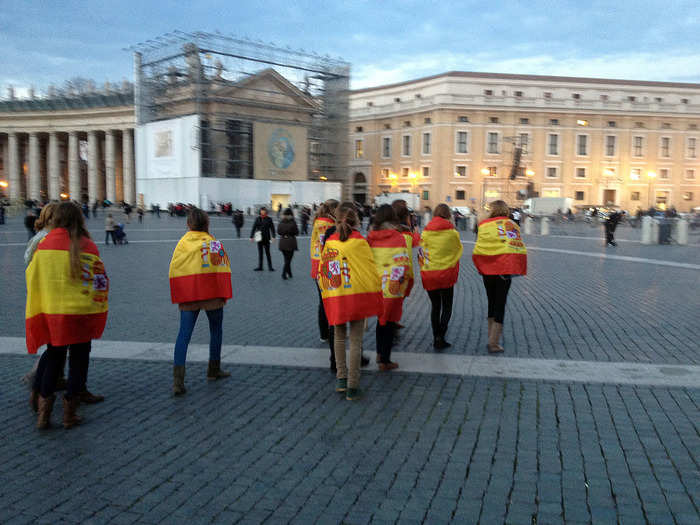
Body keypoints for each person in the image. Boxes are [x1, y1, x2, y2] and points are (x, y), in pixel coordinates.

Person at [26, 202, 109, 429]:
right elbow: (100, 280)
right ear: (78, 220)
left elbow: (33, 278)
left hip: (55, 314)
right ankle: (69, 413)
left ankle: (44, 414)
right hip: (81, 314)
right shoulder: (88, 246)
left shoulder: (45, 246)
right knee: (79, 361)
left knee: (54, 358)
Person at [319, 204, 382, 400]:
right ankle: (353, 386)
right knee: (356, 342)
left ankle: (341, 379)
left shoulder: (330, 243)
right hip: (358, 296)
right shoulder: (360, 242)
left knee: (338, 337)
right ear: (357, 222)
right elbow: (371, 269)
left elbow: (324, 272)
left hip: (337, 295)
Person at [169, 208, 233, 395]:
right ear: (207, 224)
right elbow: (223, 268)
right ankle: (213, 369)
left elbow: (175, 269)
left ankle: (178, 382)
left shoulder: (182, 244)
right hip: (212, 294)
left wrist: (181, 292)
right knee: (216, 331)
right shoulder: (213, 243)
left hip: (189, 294)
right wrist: (223, 293)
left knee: (184, 335)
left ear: (188, 224)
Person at [472, 200, 527, 353]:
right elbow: (516, 246)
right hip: (504, 270)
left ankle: (491, 336)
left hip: (488, 270)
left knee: (491, 302)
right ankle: (494, 343)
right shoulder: (512, 225)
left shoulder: (483, 225)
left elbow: (480, 245)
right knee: (500, 305)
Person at [367, 205, 410, 371]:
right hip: (392, 285)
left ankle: (379, 354)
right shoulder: (398, 237)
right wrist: (399, 283)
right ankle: (385, 360)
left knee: (380, 320)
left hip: (376, 285)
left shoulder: (371, 237)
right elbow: (403, 262)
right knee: (390, 322)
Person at [419, 204, 463, 349]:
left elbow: (421, 253)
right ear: (448, 214)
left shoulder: (425, 232)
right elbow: (458, 250)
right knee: (447, 306)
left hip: (430, 273)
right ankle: (440, 336)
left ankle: (435, 335)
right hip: (446, 274)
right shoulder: (452, 233)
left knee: (435, 306)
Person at [310, 199, 339, 344]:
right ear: (333, 210)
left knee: (322, 301)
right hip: (327, 264)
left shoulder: (317, 221)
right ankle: (330, 332)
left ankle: (324, 333)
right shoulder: (328, 224)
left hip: (317, 265)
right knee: (329, 301)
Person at [277, 208, 299, 280]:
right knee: (288, 260)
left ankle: (289, 273)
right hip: (290, 242)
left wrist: (284, 233)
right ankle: (283, 273)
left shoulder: (281, 222)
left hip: (282, 242)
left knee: (286, 259)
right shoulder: (293, 222)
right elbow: (296, 232)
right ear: (291, 215)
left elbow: (278, 232)